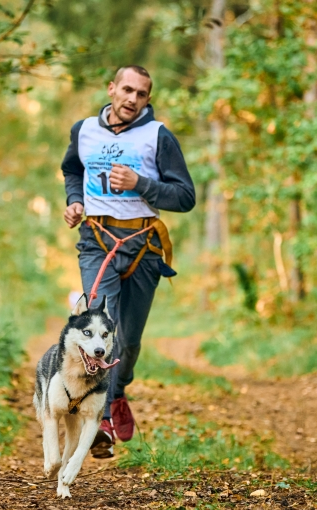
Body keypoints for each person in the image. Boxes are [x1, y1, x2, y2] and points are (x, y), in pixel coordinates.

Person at [60, 65, 196, 458]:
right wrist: (75, 201)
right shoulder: (83, 130)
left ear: (147, 100)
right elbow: (73, 168)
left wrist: (141, 185)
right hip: (97, 241)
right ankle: (100, 421)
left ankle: (117, 391)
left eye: (141, 94)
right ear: (112, 89)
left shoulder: (158, 136)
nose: (132, 99)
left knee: (130, 341)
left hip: (144, 247)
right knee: (103, 328)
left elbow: (184, 197)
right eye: (126, 90)